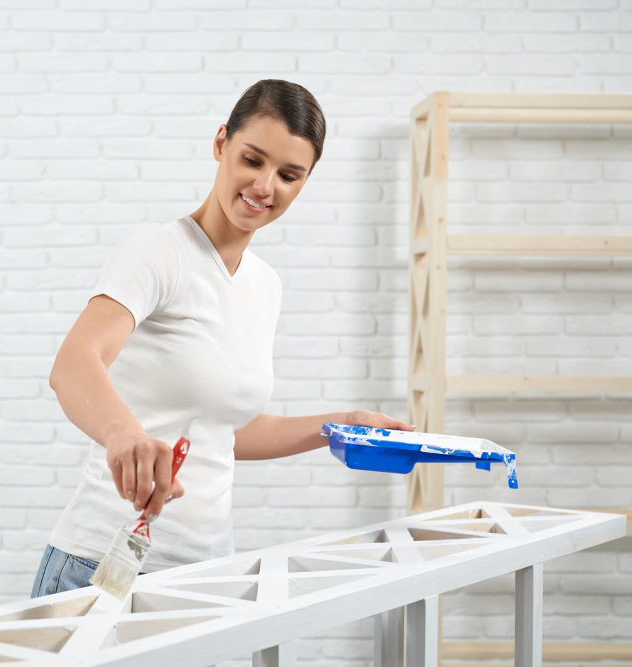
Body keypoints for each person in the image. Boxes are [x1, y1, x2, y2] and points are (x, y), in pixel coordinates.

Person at [31, 79, 415, 599]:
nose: (264, 186)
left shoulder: (265, 286)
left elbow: (226, 431)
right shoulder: (159, 250)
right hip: (102, 565)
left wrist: (341, 426)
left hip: (206, 574)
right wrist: (123, 435)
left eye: (288, 175)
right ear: (220, 145)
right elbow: (76, 360)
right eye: (252, 160)